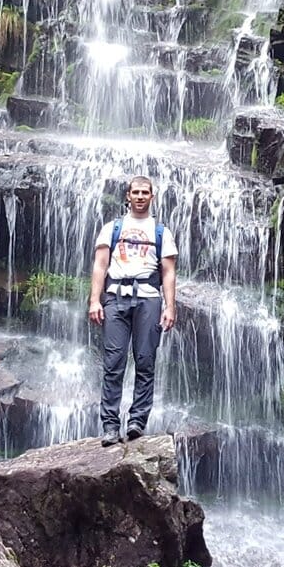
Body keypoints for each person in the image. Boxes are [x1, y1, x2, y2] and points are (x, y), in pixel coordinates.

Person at [88, 176, 178, 446]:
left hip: (149, 299)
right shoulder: (112, 228)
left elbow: (169, 272)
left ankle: (137, 421)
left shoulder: (161, 232)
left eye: (145, 192)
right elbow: (100, 266)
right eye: (135, 192)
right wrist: (95, 300)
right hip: (115, 298)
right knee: (113, 364)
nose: (140, 196)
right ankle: (110, 426)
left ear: (152, 196)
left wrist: (170, 306)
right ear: (128, 196)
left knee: (145, 361)